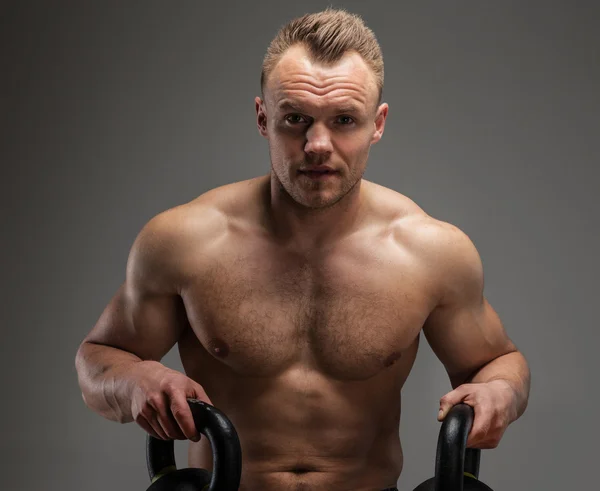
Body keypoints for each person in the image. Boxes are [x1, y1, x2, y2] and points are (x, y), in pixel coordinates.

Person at [75, 8, 531, 491]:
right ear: (262, 117)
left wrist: (499, 391)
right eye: (295, 119)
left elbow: (499, 361)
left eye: (344, 120)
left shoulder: (431, 252)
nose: (318, 144)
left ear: (377, 124)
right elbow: (100, 356)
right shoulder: (184, 242)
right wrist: (134, 382)